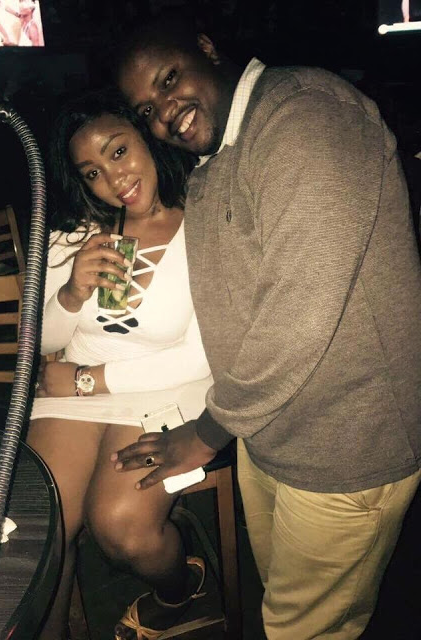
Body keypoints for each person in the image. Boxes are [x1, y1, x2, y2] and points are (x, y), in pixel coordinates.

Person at [112, 12, 421, 640]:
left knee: (301, 629)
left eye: (168, 80)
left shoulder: (303, 116)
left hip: (348, 442)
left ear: (206, 48)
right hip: (270, 432)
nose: (165, 112)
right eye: (146, 110)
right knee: (284, 606)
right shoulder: (220, 159)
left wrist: (207, 432)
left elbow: (299, 306)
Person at [28, 87, 211, 640]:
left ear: (147, 137)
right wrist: (70, 294)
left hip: (165, 387)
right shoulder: (75, 232)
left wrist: (86, 381)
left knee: (121, 528)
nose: (113, 178)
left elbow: (200, 356)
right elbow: (38, 340)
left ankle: (180, 588)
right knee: (41, 525)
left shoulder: (205, 222)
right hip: (73, 386)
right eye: (92, 172)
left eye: (118, 151)